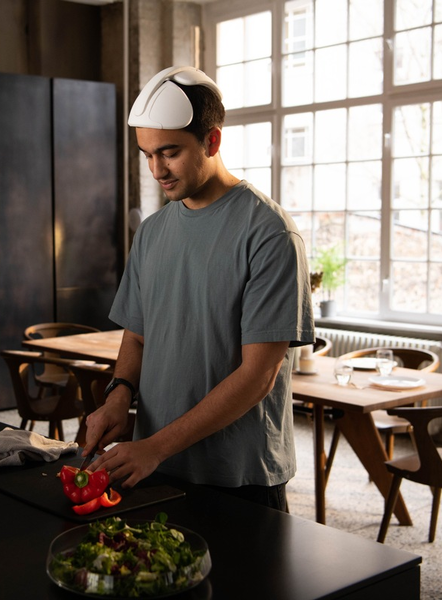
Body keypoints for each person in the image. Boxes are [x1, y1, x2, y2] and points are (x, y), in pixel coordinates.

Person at [82, 66, 314, 511]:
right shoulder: (151, 233)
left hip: (238, 476)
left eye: (169, 152)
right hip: (156, 465)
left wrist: (155, 447)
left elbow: (257, 378)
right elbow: (137, 333)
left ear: (212, 140)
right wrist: (119, 395)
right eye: (146, 154)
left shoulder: (269, 233)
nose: (156, 170)